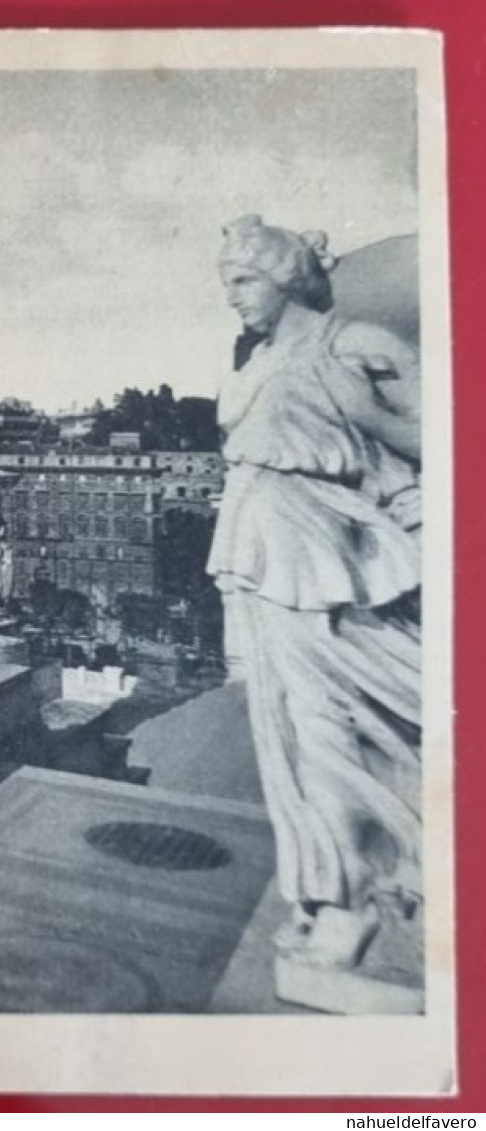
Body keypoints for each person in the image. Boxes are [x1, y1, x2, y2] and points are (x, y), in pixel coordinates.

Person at [208, 215, 422, 971]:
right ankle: (329, 886)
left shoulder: (351, 344)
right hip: (266, 555)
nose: (231, 296)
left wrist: (366, 416)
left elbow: (447, 431)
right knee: (292, 733)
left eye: (243, 279)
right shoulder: (261, 356)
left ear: (288, 276)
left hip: (326, 554)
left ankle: (348, 897)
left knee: (325, 729)